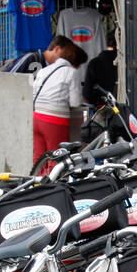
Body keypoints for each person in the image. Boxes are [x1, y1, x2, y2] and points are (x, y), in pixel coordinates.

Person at [32, 36, 88, 171]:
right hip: (54, 120)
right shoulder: (71, 72)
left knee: (39, 158)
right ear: (75, 62)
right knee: (57, 158)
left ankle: (36, 187)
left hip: (36, 117)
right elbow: (75, 103)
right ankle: (53, 189)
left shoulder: (44, 70)